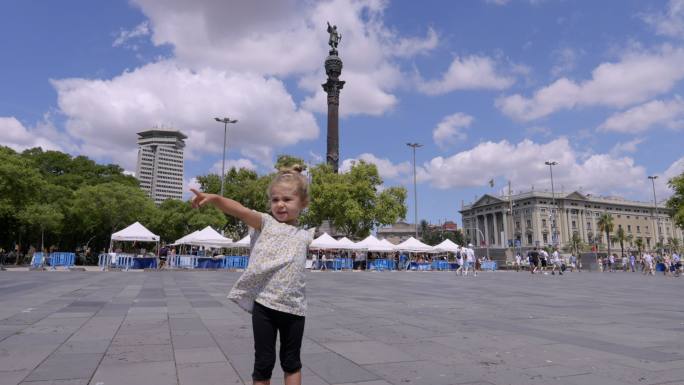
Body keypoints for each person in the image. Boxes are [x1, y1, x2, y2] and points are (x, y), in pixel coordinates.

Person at [191, 165, 313, 385]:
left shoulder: (305, 235)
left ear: (303, 203)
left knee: (292, 362)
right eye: (275, 200)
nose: (280, 204)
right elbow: (240, 210)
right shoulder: (265, 223)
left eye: (287, 199)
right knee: (263, 362)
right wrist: (216, 198)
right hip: (265, 306)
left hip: (295, 307)